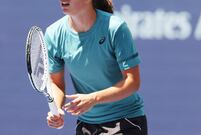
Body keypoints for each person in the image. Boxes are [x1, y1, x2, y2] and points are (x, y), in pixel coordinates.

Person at [45, 0, 147, 134]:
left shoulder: (115, 27)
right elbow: (56, 82)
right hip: (87, 125)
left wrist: (94, 98)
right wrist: (57, 109)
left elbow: (132, 82)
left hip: (126, 120)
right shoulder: (53, 34)